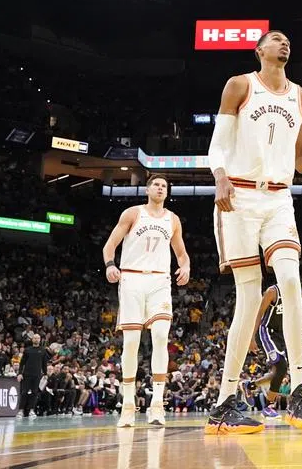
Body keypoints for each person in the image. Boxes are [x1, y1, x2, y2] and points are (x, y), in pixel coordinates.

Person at [205, 29, 302, 434]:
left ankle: (301, 393)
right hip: (237, 196)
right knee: (248, 299)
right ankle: (225, 401)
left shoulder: (301, 96)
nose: (284, 43)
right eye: (275, 39)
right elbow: (217, 144)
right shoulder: (240, 85)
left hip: (278, 200)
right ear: (259, 51)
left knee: (290, 281)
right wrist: (219, 177)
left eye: (288, 39)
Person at [103, 173, 192, 427]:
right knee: (131, 342)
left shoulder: (172, 220)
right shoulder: (132, 213)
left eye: (164, 186)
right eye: (156, 184)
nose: (161, 188)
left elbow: (182, 254)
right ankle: (128, 406)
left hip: (160, 281)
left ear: (168, 192)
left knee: (161, 336)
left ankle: (157, 406)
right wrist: (110, 265)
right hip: (131, 279)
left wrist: (185, 268)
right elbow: (109, 247)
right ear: (147, 189)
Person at [248, 283, 288, 418]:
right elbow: (259, 313)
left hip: (279, 334)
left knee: (278, 372)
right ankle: (268, 407)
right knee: (281, 366)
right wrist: (252, 337)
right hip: (265, 332)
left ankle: (250, 386)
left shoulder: (292, 291)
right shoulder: (272, 291)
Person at [17, 333, 49, 418]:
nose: (36, 340)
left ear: (40, 340)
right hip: (27, 374)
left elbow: (44, 363)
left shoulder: (43, 350)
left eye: (38, 338)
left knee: (35, 393)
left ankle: (31, 410)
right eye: (34, 338)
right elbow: (22, 363)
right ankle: (21, 410)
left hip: (37, 375)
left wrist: (45, 374)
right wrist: (20, 373)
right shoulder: (27, 350)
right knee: (24, 392)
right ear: (32, 340)